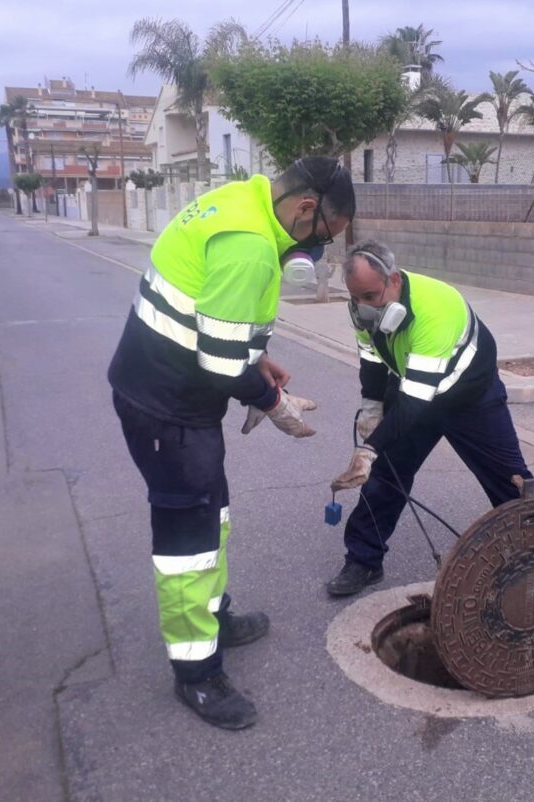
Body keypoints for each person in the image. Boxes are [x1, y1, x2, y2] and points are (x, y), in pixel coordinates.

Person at [107, 157, 354, 729]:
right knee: (188, 542)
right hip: (166, 411)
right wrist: (273, 404)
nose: (318, 252)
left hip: (172, 397)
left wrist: (257, 358)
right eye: (324, 237)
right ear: (306, 208)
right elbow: (219, 361)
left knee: (211, 513)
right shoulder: (247, 245)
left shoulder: (243, 200)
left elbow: (210, 316)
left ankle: (215, 616)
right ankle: (196, 673)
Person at [327, 240, 532, 596]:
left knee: (510, 480)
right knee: (385, 479)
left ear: (393, 280)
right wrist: (372, 404)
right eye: (355, 297)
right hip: (413, 388)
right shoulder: (362, 309)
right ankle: (363, 560)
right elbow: (372, 360)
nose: (364, 307)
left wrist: (370, 449)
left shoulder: (434, 308)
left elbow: (414, 403)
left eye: (371, 296)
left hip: (471, 398)